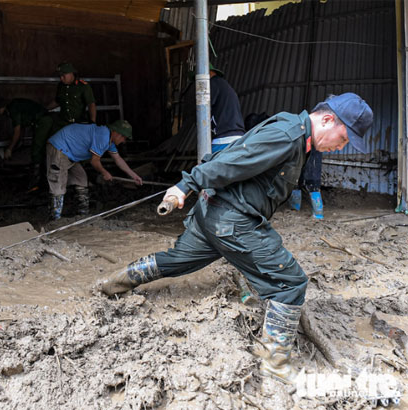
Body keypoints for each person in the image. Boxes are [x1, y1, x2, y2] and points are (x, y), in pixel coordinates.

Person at [99, 93, 373, 383]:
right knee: (291, 282)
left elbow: (235, 156)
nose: (339, 148)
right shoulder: (288, 135)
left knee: (178, 260)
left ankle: (112, 283)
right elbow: (232, 160)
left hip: (213, 213)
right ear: (329, 119)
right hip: (233, 219)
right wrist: (186, 184)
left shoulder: (296, 134)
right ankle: (276, 366)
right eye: (343, 139)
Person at [46, 120, 142, 220]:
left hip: (71, 153)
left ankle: (82, 215)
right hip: (60, 147)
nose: (124, 141)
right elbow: (94, 161)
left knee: (81, 179)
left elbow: (118, 159)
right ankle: (55, 220)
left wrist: (134, 176)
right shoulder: (103, 136)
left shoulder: (109, 140)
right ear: (117, 133)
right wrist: (104, 172)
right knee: (58, 183)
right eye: (124, 137)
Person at [31, 62, 97, 188]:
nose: (61, 78)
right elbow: (57, 101)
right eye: (60, 76)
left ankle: (81, 179)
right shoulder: (61, 86)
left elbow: (91, 104)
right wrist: (45, 108)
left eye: (64, 75)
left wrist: (92, 122)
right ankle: (48, 176)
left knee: (77, 150)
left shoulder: (83, 86)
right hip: (62, 122)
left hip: (77, 123)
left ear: (72, 74)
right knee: (52, 144)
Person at [183, 64, 246, 153]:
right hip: (236, 138)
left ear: (206, 73)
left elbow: (203, 109)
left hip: (223, 140)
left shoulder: (212, 84)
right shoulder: (224, 85)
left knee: (207, 164)